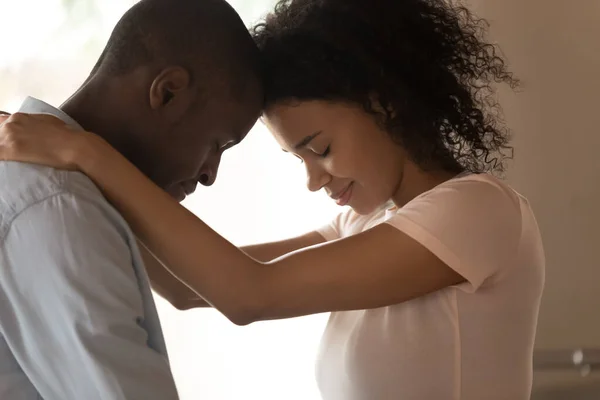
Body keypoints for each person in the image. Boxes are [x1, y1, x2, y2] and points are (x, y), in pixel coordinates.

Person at [0, 0, 545, 399]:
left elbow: (249, 294)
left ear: (384, 103)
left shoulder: (478, 210)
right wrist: (70, 183)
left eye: (321, 148)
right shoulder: (359, 227)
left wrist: (88, 154)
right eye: (299, 158)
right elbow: (190, 289)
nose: (314, 180)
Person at [0, 0, 262, 398]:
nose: (210, 174)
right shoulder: (61, 206)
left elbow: (198, 286)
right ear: (168, 92)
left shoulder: (39, 182)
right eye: (217, 144)